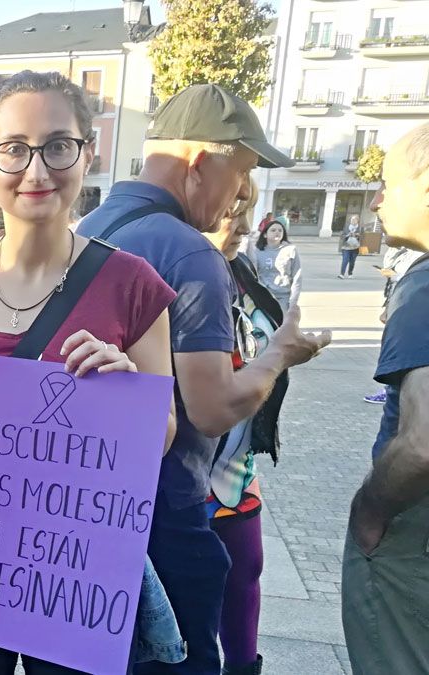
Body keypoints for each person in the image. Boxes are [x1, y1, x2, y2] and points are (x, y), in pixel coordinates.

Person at [0, 70, 179, 675]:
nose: (37, 170)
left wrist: (130, 394)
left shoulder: (133, 287)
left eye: (57, 145)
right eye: (14, 149)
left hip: (76, 566)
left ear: (87, 152)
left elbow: (163, 436)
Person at [75, 83, 330, 675]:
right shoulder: (189, 253)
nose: (242, 192)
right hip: (167, 516)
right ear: (200, 162)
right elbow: (212, 409)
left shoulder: (87, 225)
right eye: (240, 171)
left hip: (87, 512)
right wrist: (278, 356)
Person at [343, 122, 429, 675]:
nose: (377, 200)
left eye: (390, 184)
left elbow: (422, 444)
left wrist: (370, 509)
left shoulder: (421, 284)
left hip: (411, 541)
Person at [202, 178, 290, 675]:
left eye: (246, 209)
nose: (236, 222)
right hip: (185, 462)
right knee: (190, 584)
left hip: (236, 465)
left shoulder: (242, 271)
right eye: (229, 206)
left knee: (245, 574)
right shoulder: (177, 268)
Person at [364, 245, 420, 404]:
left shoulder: (420, 255)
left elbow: (408, 279)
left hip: (407, 309)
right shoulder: (403, 250)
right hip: (398, 302)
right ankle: (390, 389)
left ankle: (391, 390)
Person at [251, 220, 302, 310]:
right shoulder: (256, 251)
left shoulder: (291, 250)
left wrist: (293, 301)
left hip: (283, 297)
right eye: (273, 230)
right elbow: (253, 275)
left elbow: (297, 277)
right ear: (265, 234)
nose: (277, 232)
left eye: (280, 230)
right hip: (264, 296)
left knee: (282, 323)